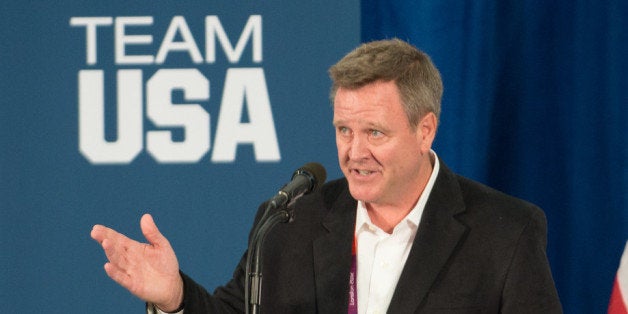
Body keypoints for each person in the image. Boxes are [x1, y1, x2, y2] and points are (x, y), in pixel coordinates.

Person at [91, 38, 562, 313]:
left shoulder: (506, 232)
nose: (354, 152)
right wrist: (175, 297)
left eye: (375, 132)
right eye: (343, 130)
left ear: (425, 129)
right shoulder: (292, 222)